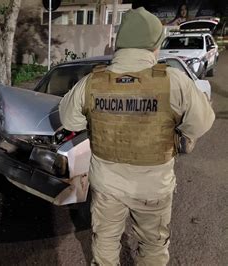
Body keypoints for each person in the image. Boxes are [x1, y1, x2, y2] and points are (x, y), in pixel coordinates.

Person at [59, 7, 214, 265]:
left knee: (106, 243)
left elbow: (68, 119)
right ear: (154, 45)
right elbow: (202, 123)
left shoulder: (91, 82)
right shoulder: (174, 81)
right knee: (152, 247)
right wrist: (180, 136)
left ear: (120, 43)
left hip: (107, 185)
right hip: (153, 186)